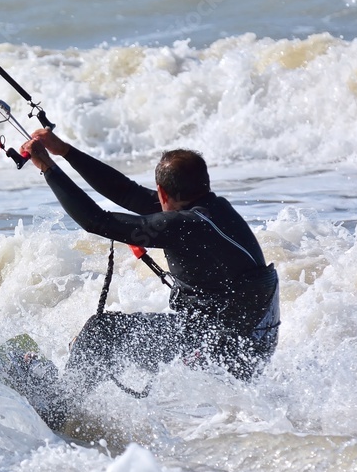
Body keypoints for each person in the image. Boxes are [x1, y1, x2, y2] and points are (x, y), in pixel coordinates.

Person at [16, 129, 280, 430]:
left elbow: (96, 221)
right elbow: (127, 193)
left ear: (164, 193)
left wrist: (48, 169)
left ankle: (59, 409)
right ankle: (72, 394)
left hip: (222, 347)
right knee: (106, 340)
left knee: (102, 333)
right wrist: (64, 151)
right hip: (248, 344)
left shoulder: (187, 225)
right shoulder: (211, 210)